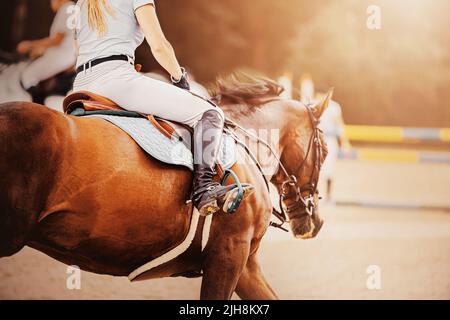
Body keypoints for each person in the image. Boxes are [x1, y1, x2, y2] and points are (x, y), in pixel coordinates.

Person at [71, 0, 252, 216]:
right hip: (116, 80)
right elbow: (159, 46)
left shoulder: (82, 3)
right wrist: (179, 78)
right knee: (210, 113)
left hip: (80, 85)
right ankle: (204, 188)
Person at [18, 0, 77, 104]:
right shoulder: (73, 8)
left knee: (27, 76)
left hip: (62, 57)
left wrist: (30, 45)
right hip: (67, 56)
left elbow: (57, 40)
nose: (51, 3)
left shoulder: (66, 9)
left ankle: (38, 109)